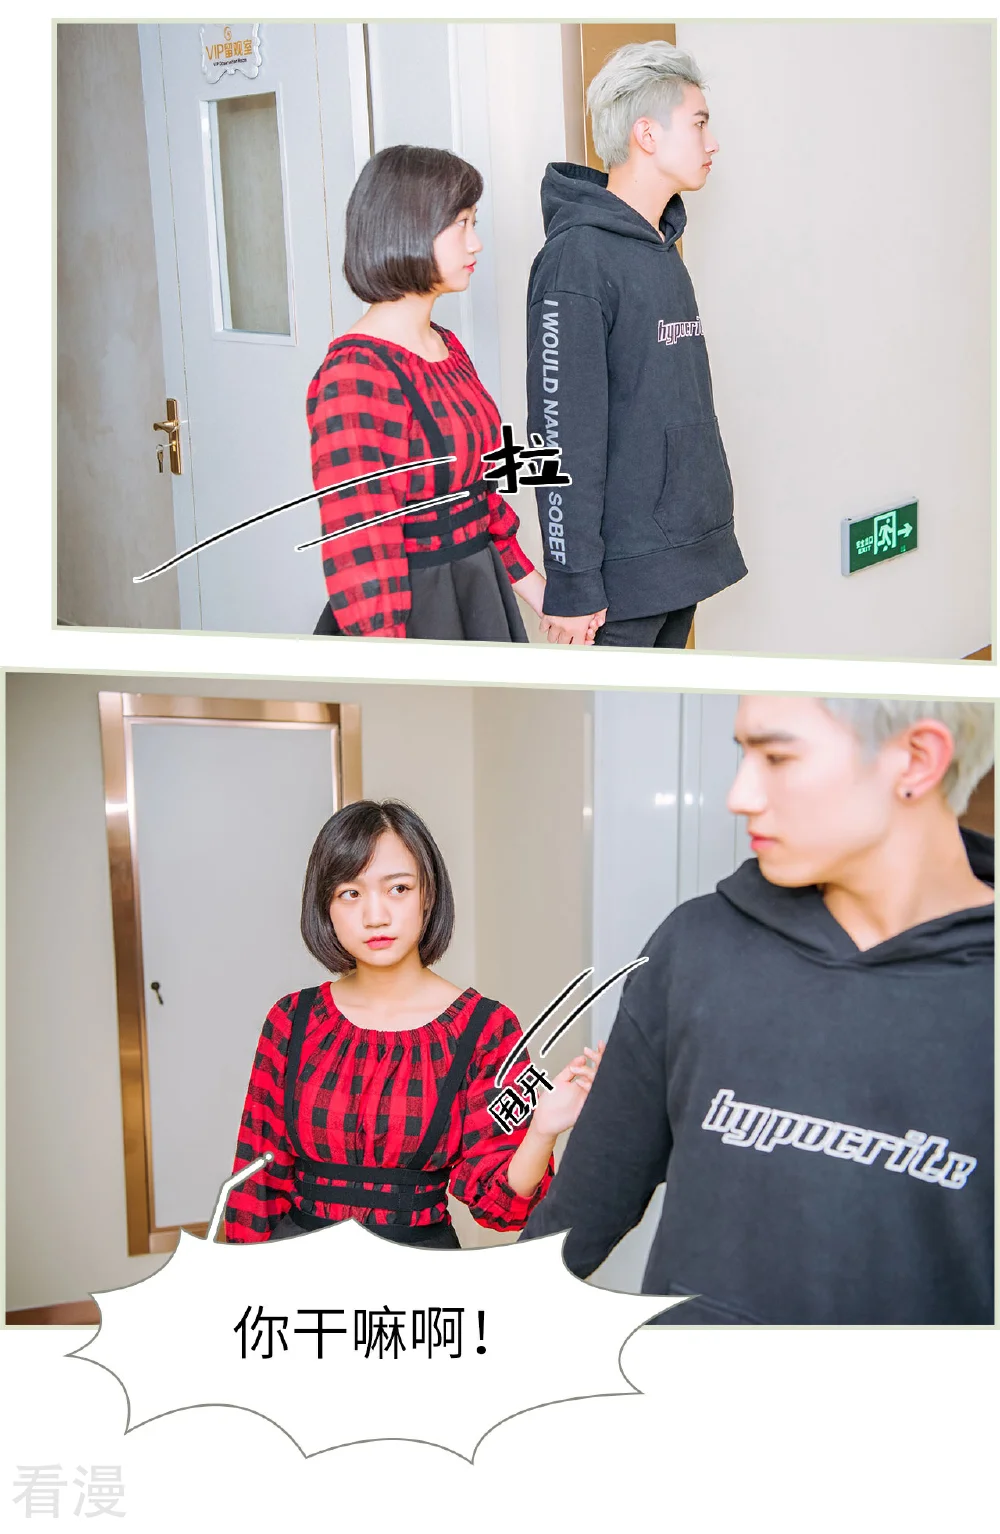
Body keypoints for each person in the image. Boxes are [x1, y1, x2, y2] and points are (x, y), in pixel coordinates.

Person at [521, 698, 995, 1324]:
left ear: (915, 759)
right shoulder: (695, 947)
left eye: (777, 757)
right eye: (743, 754)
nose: (739, 796)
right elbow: (583, 1208)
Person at [225, 799, 602, 1246]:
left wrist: (542, 1131)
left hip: (422, 1272)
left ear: (428, 895)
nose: (376, 916)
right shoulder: (292, 1020)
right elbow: (254, 1184)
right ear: (325, 906)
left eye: (398, 888)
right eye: (351, 893)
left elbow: (501, 1207)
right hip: (298, 1270)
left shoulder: (484, 1028)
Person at [526, 40, 747, 648]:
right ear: (646, 134)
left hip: (680, 558)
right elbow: (560, 434)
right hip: (617, 584)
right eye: (698, 123)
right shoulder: (577, 259)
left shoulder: (661, 247)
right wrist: (572, 583)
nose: (712, 142)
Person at [308, 145, 569, 643]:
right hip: (414, 616)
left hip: (478, 588)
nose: (477, 243)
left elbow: (480, 498)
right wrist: (391, 663)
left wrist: (541, 595)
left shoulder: (446, 348)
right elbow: (361, 547)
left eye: (475, 222)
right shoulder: (357, 373)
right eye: (462, 223)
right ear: (410, 227)